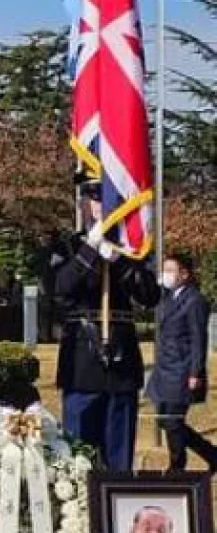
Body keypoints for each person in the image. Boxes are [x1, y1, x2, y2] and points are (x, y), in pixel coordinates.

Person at [54, 172, 160, 472]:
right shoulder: (67, 247)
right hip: (81, 362)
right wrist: (90, 250)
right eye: (95, 198)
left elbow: (150, 296)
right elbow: (60, 290)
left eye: (108, 198)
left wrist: (120, 261)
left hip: (121, 361)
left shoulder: (133, 250)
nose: (102, 206)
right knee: (76, 460)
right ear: (83, 204)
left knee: (119, 459)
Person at [145, 253, 216, 473]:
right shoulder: (168, 298)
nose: (165, 275)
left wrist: (196, 372)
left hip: (182, 369)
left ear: (184, 274)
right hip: (164, 369)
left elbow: (198, 339)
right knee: (164, 421)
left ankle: (177, 464)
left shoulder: (194, 301)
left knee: (173, 421)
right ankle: (212, 454)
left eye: (170, 270)